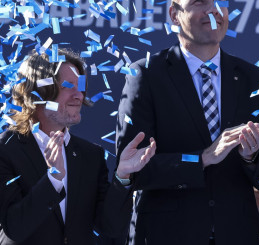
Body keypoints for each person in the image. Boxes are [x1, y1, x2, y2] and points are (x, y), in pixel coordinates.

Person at [115, 0, 259, 245]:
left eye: (220, 0)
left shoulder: (256, 80)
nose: (214, 9)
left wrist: (252, 157)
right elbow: (132, 168)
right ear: (173, 15)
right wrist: (202, 158)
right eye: (199, 1)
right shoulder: (145, 75)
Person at [0, 50, 155, 244]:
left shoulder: (91, 155)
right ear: (39, 91)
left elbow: (110, 227)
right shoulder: (5, 150)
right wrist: (53, 180)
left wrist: (122, 176)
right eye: (68, 86)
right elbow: (14, 227)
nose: (79, 96)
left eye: (81, 87)